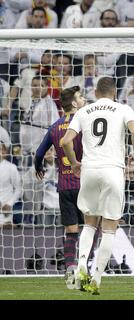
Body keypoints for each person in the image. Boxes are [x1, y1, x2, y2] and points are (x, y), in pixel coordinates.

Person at [61, 77, 134, 295]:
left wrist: (74, 162)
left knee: (88, 225)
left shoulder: (83, 111)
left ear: (96, 92)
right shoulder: (123, 108)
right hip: (113, 171)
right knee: (109, 227)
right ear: (114, 93)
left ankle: (80, 268)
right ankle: (96, 279)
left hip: (89, 171)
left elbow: (65, 141)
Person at [34, 86, 86, 285]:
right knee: (92, 227)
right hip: (84, 183)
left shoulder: (55, 126)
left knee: (71, 231)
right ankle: (85, 266)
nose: (83, 100)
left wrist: (39, 167)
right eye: (80, 98)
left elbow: (39, 154)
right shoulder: (82, 124)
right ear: (74, 103)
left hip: (64, 186)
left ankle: (71, 271)